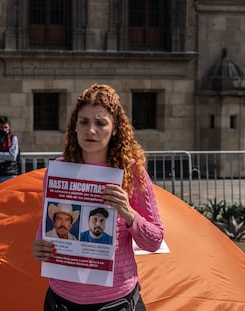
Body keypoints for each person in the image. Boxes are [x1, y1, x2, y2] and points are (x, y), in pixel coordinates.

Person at [32, 83, 164, 311]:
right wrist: (39, 247)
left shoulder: (132, 173)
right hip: (61, 299)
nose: (90, 130)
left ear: (114, 129)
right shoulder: (58, 170)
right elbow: (45, 229)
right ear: (75, 126)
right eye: (84, 122)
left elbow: (154, 241)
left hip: (116, 301)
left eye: (100, 123)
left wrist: (128, 213)